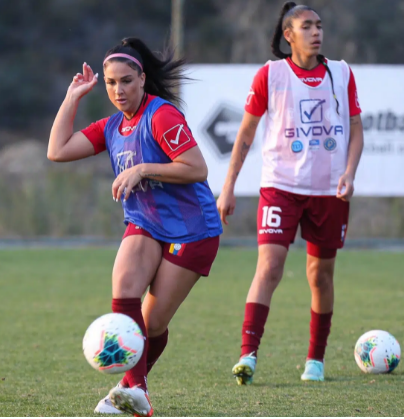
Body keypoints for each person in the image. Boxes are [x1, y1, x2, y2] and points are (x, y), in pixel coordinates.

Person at [47, 37, 223, 416]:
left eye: (126, 80)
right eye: (111, 83)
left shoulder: (161, 115)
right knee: (124, 290)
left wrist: (142, 168)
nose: (118, 90)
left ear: (142, 79)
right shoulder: (112, 126)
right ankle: (138, 395)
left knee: (151, 324)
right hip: (145, 223)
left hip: (193, 231)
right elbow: (57, 151)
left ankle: (125, 393)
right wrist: (72, 97)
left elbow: (197, 168)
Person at [216, 1, 364, 385]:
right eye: (306, 26)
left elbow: (356, 129)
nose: (316, 32)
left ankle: (315, 360)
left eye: (319, 25)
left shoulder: (342, 73)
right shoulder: (271, 75)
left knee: (320, 277)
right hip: (280, 187)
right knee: (269, 267)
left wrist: (349, 172)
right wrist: (228, 186)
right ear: (288, 35)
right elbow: (246, 134)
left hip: (329, 192)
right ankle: (248, 354)